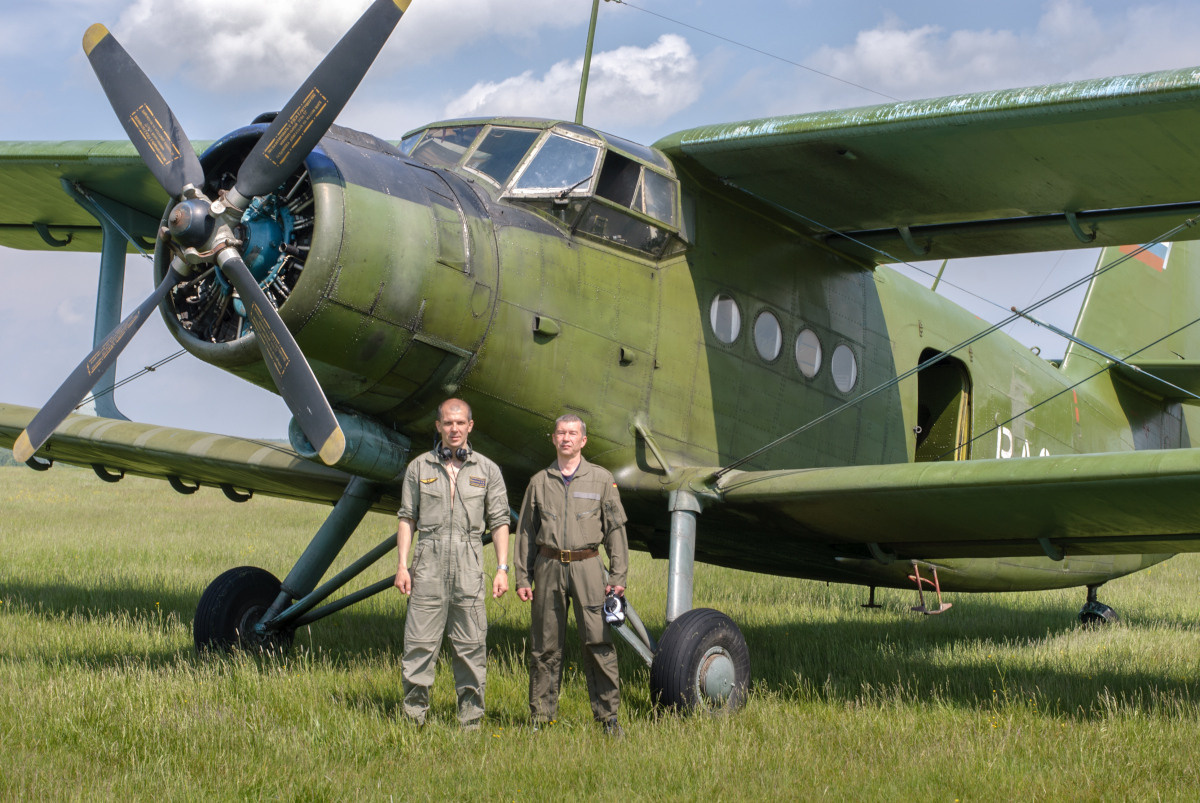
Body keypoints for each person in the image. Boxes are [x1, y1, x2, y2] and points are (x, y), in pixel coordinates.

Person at [394, 398, 510, 730]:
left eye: (460, 423)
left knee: (471, 647)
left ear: (470, 426)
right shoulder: (419, 468)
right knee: (418, 646)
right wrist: (403, 566)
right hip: (427, 566)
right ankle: (414, 719)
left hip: (469, 567)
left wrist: (502, 569)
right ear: (438, 427)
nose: (454, 429)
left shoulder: (487, 470)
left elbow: (500, 521)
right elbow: (407, 518)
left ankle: (470, 722)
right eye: (448, 423)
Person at [514, 413, 629, 736]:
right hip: (548, 567)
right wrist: (523, 577)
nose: (566, 438)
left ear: (583, 441)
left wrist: (618, 574)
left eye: (572, 433)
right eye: (561, 433)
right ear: (553, 439)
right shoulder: (539, 482)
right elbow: (525, 532)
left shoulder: (602, 480)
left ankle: (608, 718)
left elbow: (615, 531)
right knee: (545, 645)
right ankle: (541, 717)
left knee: (598, 641)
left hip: (588, 566)